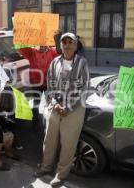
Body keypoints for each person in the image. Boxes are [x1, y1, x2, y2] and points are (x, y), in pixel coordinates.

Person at [33, 32, 90, 187]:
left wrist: (69, 107)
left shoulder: (82, 63)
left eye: (70, 42)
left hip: (74, 109)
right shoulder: (54, 63)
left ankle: (61, 174)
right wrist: (54, 103)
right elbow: (50, 85)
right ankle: (46, 167)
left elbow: (85, 88)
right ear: (60, 46)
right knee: (49, 140)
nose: (67, 44)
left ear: (76, 45)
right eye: (64, 42)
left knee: (68, 143)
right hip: (55, 107)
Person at [17, 31, 61, 131]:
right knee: (36, 103)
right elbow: (22, 49)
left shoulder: (52, 51)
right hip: (36, 83)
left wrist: (57, 39)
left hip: (49, 83)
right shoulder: (32, 52)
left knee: (51, 103)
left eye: (44, 42)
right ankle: (35, 123)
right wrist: (21, 35)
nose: (42, 45)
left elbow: (60, 53)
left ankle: (51, 122)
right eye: (40, 42)